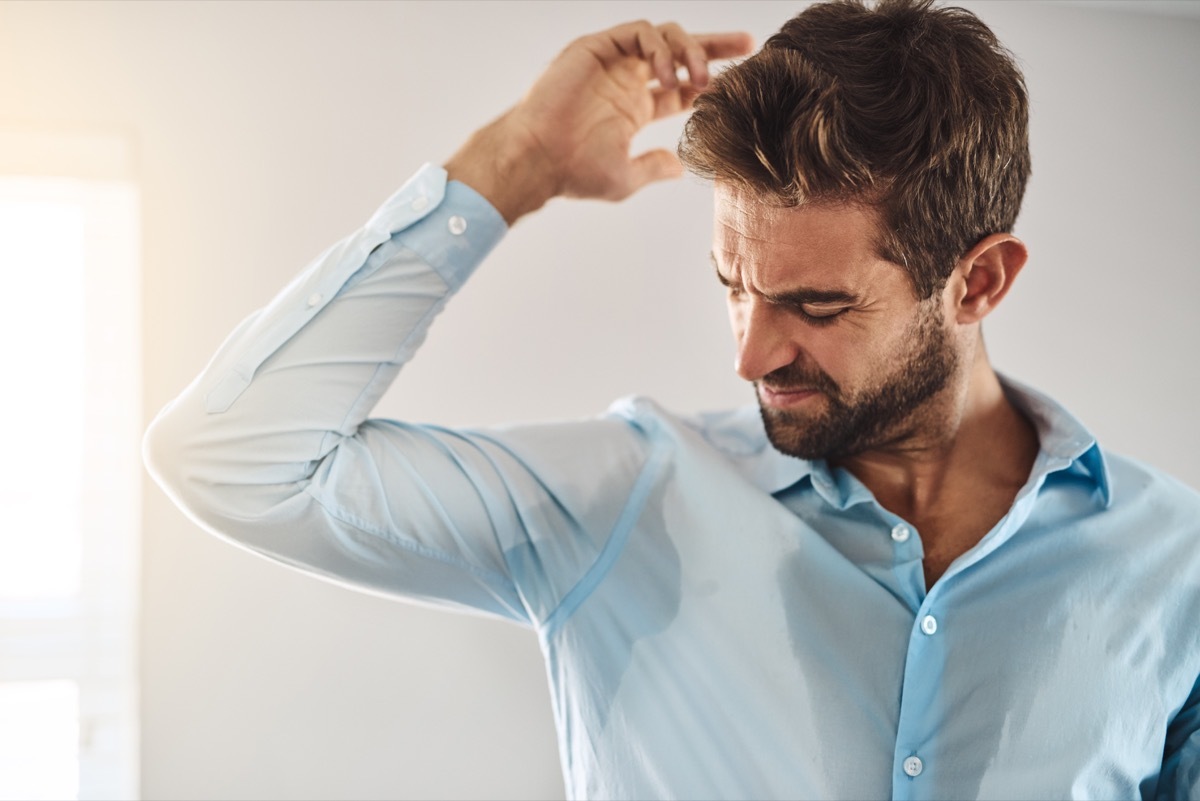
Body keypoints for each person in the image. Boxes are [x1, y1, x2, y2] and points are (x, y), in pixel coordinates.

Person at [144, 0, 1200, 798]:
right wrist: (516, 163)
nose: (750, 353)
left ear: (978, 281)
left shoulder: (1174, 566)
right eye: (731, 286)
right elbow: (231, 458)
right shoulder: (622, 500)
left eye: (815, 305)